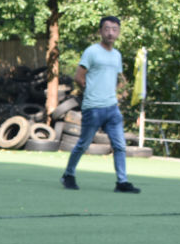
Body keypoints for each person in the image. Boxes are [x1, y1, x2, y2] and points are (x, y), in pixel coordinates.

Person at [60, 16, 142, 193]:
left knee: (120, 145)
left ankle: (122, 181)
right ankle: (68, 174)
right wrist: (91, 92)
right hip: (93, 108)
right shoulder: (91, 52)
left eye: (114, 29)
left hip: (112, 109)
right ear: (100, 31)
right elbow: (78, 77)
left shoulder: (117, 55)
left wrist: (114, 95)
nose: (110, 32)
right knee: (83, 143)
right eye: (107, 29)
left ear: (118, 32)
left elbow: (116, 79)